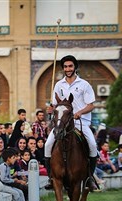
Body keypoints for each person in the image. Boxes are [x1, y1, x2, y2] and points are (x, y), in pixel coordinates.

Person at [44, 55, 98, 190]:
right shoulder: (58, 84)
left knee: (92, 144)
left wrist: (80, 112)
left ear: (75, 67)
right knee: (48, 144)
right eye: (65, 66)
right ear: (63, 68)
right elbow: (56, 105)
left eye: (70, 66)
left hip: (81, 123)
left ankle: (89, 178)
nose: (68, 69)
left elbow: (91, 105)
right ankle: (51, 178)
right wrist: (51, 109)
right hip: (62, 124)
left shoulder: (84, 84)